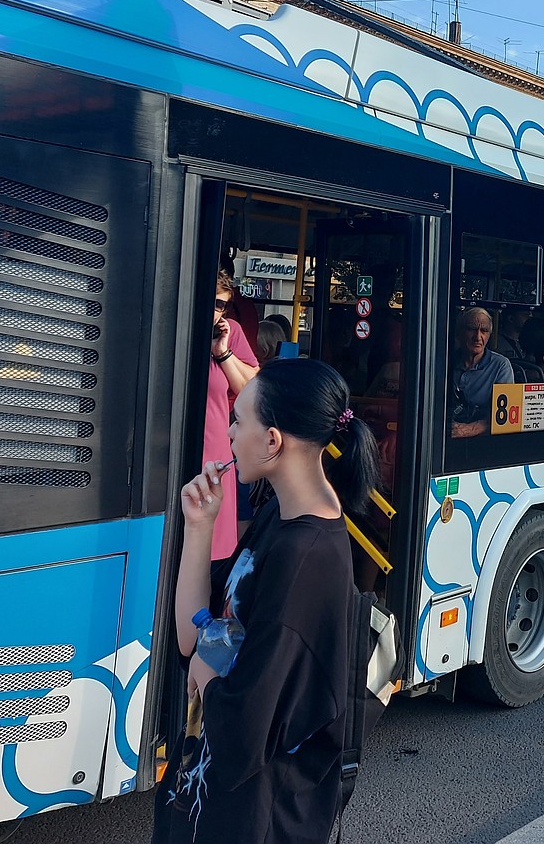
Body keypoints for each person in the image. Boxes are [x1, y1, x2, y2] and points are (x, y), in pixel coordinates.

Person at [153, 359, 377, 844]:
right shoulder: (281, 514)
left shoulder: (306, 559)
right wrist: (199, 527)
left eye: (238, 420)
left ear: (273, 441)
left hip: (251, 821)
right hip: (204, 801)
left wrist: (209, 677)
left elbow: (246, 729)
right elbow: (193, 635)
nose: (230, 434)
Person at [207, 272, 259, 560]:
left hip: (215, 448)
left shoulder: (231, 331)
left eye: (220, 305)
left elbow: (249, 387)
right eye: (210, 302)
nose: (214, 311)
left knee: (214, 550)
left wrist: (223, 353)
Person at [450, 307, 514, 438]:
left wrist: (470, 429)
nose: (477, 337)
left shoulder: (501, 365)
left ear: (489, 335)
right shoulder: (447, 361)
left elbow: (504, 416)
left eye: (484, 331)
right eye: (471, 329)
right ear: (460, 332)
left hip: (483, 441)